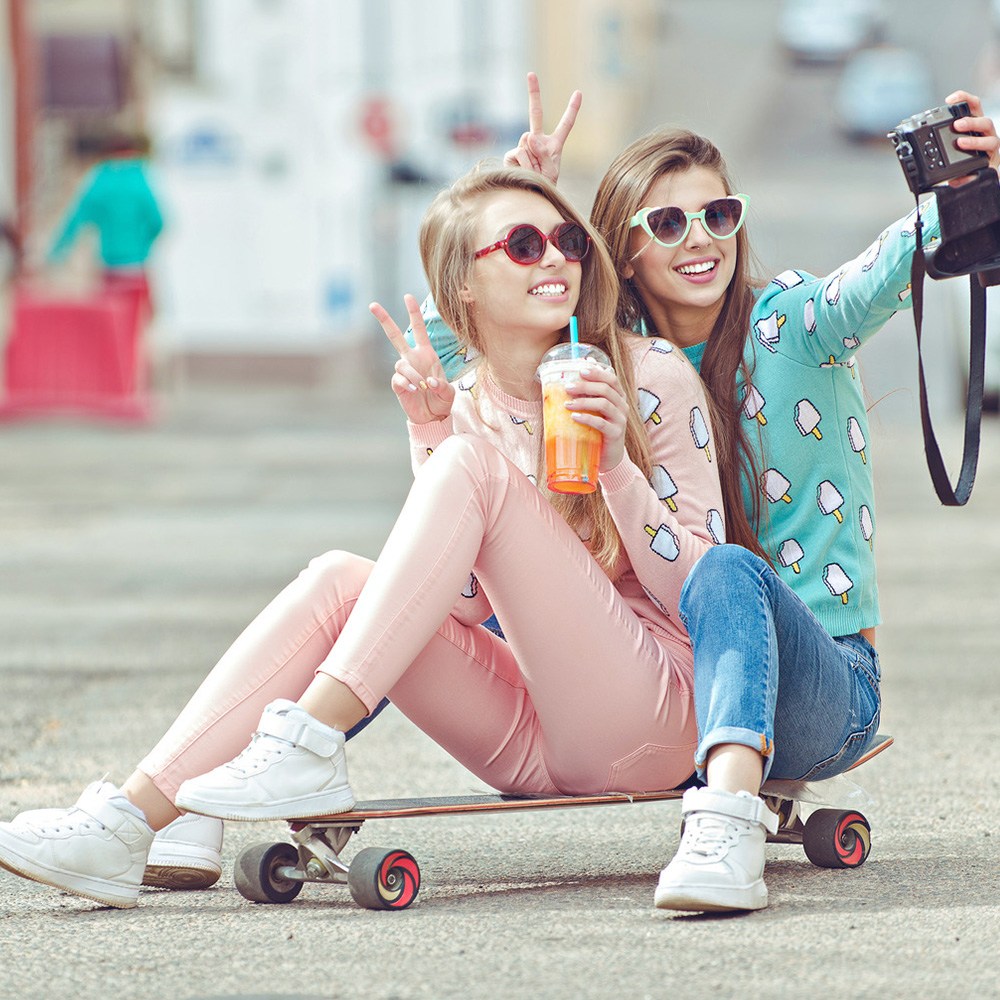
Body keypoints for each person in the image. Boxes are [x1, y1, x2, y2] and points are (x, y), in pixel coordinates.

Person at [0, 165, 724, 909]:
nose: (556, 258)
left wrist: (616, 471)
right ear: (463, 288)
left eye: (568, 240)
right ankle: (124, 826)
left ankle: (309, 738)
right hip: (540, 739)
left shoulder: (649, 377)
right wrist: (432, 430)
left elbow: (708, 591)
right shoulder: (469, 401)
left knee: (468, 471)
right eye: (523, 243)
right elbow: (469, 605)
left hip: (655, 718)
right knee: (340, 578)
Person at [414, 76, 1000, 912]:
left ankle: (726, 824)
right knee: (434, 577)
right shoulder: (620, 358)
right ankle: (280, 760)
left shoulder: (795, 324)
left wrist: (979, 184)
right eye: (668, 222)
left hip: (822, 681)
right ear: (621, 250)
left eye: (719, 215)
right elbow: (463, 333)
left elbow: (890, 265)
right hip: (667, 675)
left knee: (722, 569)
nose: (702, 240)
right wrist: (522, 214)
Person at [45, 130, 164, 327]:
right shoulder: (140, 178)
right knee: (138, 327)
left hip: (109, 267)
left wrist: (56, 254)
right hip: (136, 268)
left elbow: (76, 220)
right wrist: (143, 246)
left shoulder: (101, 179)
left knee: (112, 328)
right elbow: (158, 221)